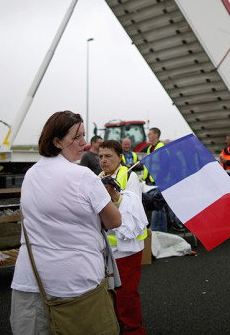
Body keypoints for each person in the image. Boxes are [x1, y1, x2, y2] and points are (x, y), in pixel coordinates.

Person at [9, 111, 122, 334]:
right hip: (76, 284)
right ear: (57, 141)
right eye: (76, 137)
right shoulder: (84, 176)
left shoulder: (31, 174)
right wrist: (110, 196)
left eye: (84, 135)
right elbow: (114, 221)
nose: (84, 143)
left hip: (31, 282)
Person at [98, 140, 147, 334]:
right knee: (110, 293)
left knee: (126, 294)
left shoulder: (130, 176)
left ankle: (134, 330)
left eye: (108, 156)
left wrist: (115, 196)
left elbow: (135, 209)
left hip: (128, 246)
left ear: (120, 157)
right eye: (100, 156)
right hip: (107, 246)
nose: (103, 160)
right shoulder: (98, 177)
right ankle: (116, 327)